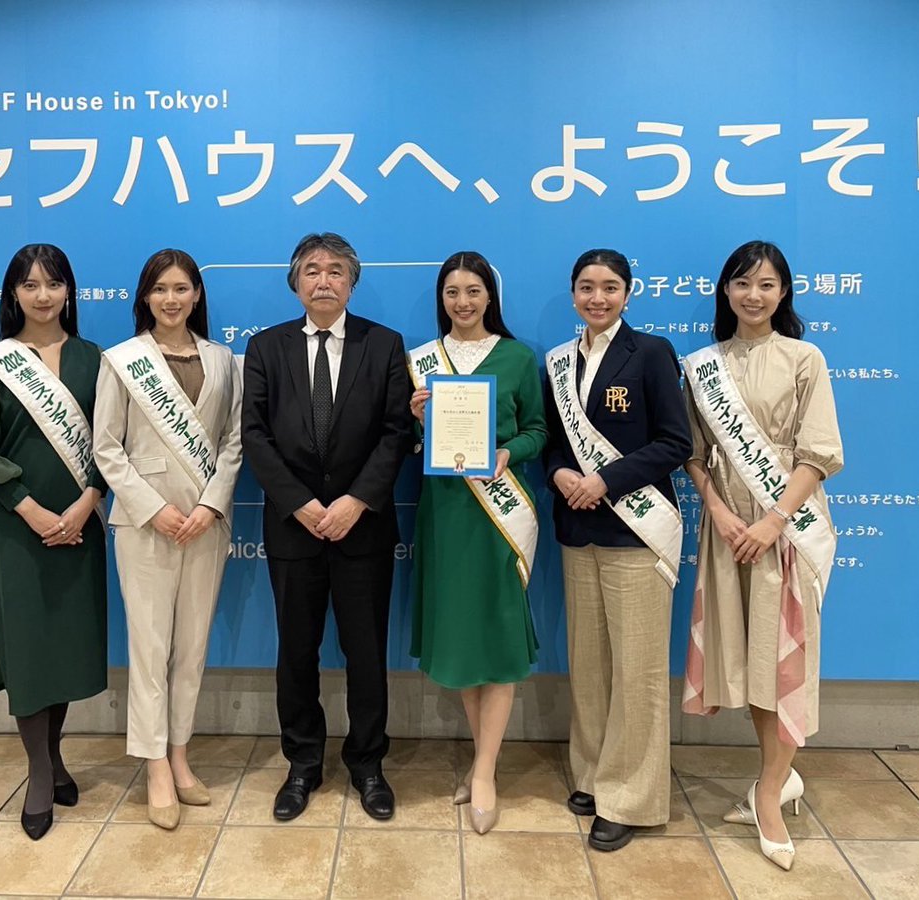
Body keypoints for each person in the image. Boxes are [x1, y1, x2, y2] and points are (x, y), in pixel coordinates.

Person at [681, 241, 843, 871]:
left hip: (788, 525)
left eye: (767, 284)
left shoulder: (805, 357)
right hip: (727, 531)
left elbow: (820, 452)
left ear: (784, 293)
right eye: (743, 283)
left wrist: (776, 518)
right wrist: (719, 512)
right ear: (726, 291)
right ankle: (777, 778)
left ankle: (770, 792)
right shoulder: (703, 366)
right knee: (750, 657)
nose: (754, 295)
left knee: (786, 658)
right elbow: (692, 452)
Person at [241, 232, 410, 822]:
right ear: (295, 282)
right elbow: (255, 437)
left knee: (365, 652)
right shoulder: (266, 348)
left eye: (336, 271)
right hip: (294, 528)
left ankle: (368, 764)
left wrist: (355, 501)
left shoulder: (385, 345)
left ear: (352, 281)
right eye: (312, 270)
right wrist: (302, 505)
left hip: (361, 527)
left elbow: (396, 433)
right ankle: (303, 764)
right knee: (297, 651)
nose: (323, 281)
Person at [0, 244, 107, 841]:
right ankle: (40, 773)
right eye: (29, 285)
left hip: (80, 526)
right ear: (12, 294)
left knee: (62, 651)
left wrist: (86, 501)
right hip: (16, 533)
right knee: (27, 651)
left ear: (70, 291)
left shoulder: (96, 360)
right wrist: (35, 511)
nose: (42, 295)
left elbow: (115, 444)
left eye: (53, 283)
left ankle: (58, 758)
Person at [543, 248, 691, 852]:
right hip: (578, 530)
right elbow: (554, 443)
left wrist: (606, 480)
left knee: (638, 671)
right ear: (573, 293)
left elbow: (675, 442)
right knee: (591, 664)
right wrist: (559, 476)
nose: (597, 298)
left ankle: (630, 796)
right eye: (586, 287)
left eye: (609, 287)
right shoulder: (559, 360)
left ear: (629, 293)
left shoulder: (651, 353)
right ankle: (592, 774)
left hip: (636, 531)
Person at [93, 249, 242, 831]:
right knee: (150, 649)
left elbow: (233, 442)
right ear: (146, 297)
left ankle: (181, 756)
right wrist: (153, 509)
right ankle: (154, 764)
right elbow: (107, 447)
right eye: (161, 289)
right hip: (144, 526)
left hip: (206, 524)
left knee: (193, 646)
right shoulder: (123, 361)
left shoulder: (224, 360)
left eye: (182, 288)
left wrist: (210, 505)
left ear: (198, 295)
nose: (172, 299)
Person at [407, 251, 547, 834]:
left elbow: (539, 430)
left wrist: (507, 453)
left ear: (491, 296)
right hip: (445, 516)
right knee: (462, 639)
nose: (462, 302)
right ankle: (480, 756)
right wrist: (417, 418)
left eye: (473, 291)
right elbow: (414, 443)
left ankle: (485, 769)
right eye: (452, 293)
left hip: (500, 514)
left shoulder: (518, 357)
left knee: (497, 635)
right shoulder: (421, 363)